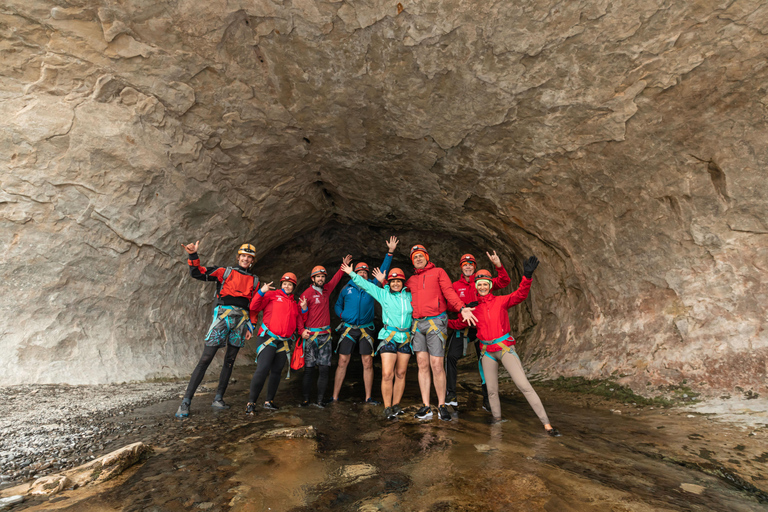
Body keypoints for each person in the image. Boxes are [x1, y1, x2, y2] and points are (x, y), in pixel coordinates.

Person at [450, 258, 561, 436]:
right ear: (476, 286)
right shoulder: (473, 310)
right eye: (479, 284)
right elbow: (456, 323)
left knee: (523, 385)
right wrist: (437, 320)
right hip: (487, 353)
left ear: (490, 285)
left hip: (504, 349)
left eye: (485, 284)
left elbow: (520, 295)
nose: (482, 287)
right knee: (492, 391)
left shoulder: (501, 301)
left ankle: (547, 424)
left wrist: (527, 276)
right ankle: (497, 422)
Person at [175, 241, 260, 418]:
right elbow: (197, 273)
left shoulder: (255, 281)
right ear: (239, 257)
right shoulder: (225, 272)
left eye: (249, 257)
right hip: (223, 318)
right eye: (243, 256)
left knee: (230, 359)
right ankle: (185, 402)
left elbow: (254, 306)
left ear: (252, 260)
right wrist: (193, 255)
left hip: (241, 321)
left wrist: (251, 325)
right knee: (206, 357)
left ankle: (218, 398)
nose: (245, 259)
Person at [405, 244, 477, 421]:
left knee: (436, 364)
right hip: (417, 324)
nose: (418, 259)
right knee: (422, 365)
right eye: (415, 257)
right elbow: (396, 293)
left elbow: (449, 292)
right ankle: (426, 406)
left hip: (436, 322)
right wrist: (384, 281)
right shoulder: (411, 281)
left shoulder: (438, 272)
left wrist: (461, 308)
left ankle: (442, 405)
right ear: (412, 261)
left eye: (421, 255)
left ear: (427, 257)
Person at [341, 262, 413, 420]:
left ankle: (396, 405)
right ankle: (387, 407)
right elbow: (365, 285)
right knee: (387, 374)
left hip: (405, 337)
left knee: (400, 373)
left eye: (398, 281)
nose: (395, 283)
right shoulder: (383, 294)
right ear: (389, 282)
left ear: (403, 283)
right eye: (392, 281)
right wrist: (351, 274)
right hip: (389, 336)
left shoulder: (409, 296)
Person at [331, 237, 397, 403]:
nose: (362, 274)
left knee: (367, 361)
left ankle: (368, 397)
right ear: (355, 274)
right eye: (359, 272)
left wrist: (390, 253)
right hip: (348, 327)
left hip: (366, 328)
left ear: (367, 275)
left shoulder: (372, 287)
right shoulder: (346, 289)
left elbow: (383, 271)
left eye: (364, 273)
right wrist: (342, 315)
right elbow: (337, 305)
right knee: (342, 361)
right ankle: (334, 397)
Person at [446, 252, 511, 410]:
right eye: (465, 264)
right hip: (463, 327)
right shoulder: (456, 286)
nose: (468, 266)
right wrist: (462, 310)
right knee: (451, 357)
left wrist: (498, 265)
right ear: (461, 267)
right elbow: (449, 305)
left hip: (481, 328)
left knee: (484, 362)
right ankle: (451, 394)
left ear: (474, 267)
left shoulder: (482, 281)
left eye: (471, 264)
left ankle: (487, 398)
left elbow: (504, 281)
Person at [246, 273, 309, 414]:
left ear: (293, 287)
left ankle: (269, 401)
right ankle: (251, 402)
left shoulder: (294, 303)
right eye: (285, 283)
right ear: (281, 285)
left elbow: (299, 320)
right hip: (268, 338)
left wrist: (304, 308)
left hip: (284, 342)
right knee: (263, 369)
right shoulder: (271, 295)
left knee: (276, 372)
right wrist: (262, 291)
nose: (287, 286)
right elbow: (254, 306)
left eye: (290, 284)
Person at [297, 255, 353, 407]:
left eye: (322, 276)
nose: (321, 279)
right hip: (311, 336)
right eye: (318, 277)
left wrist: (344, 265)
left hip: (325, 336)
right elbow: (299, 316)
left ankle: (320, 400)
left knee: (324, 370)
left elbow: (336, 279)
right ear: (313, 278)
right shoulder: (306, 294)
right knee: (309, 370)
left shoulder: (327, 290)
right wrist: (301, 330)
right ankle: (306, 399)